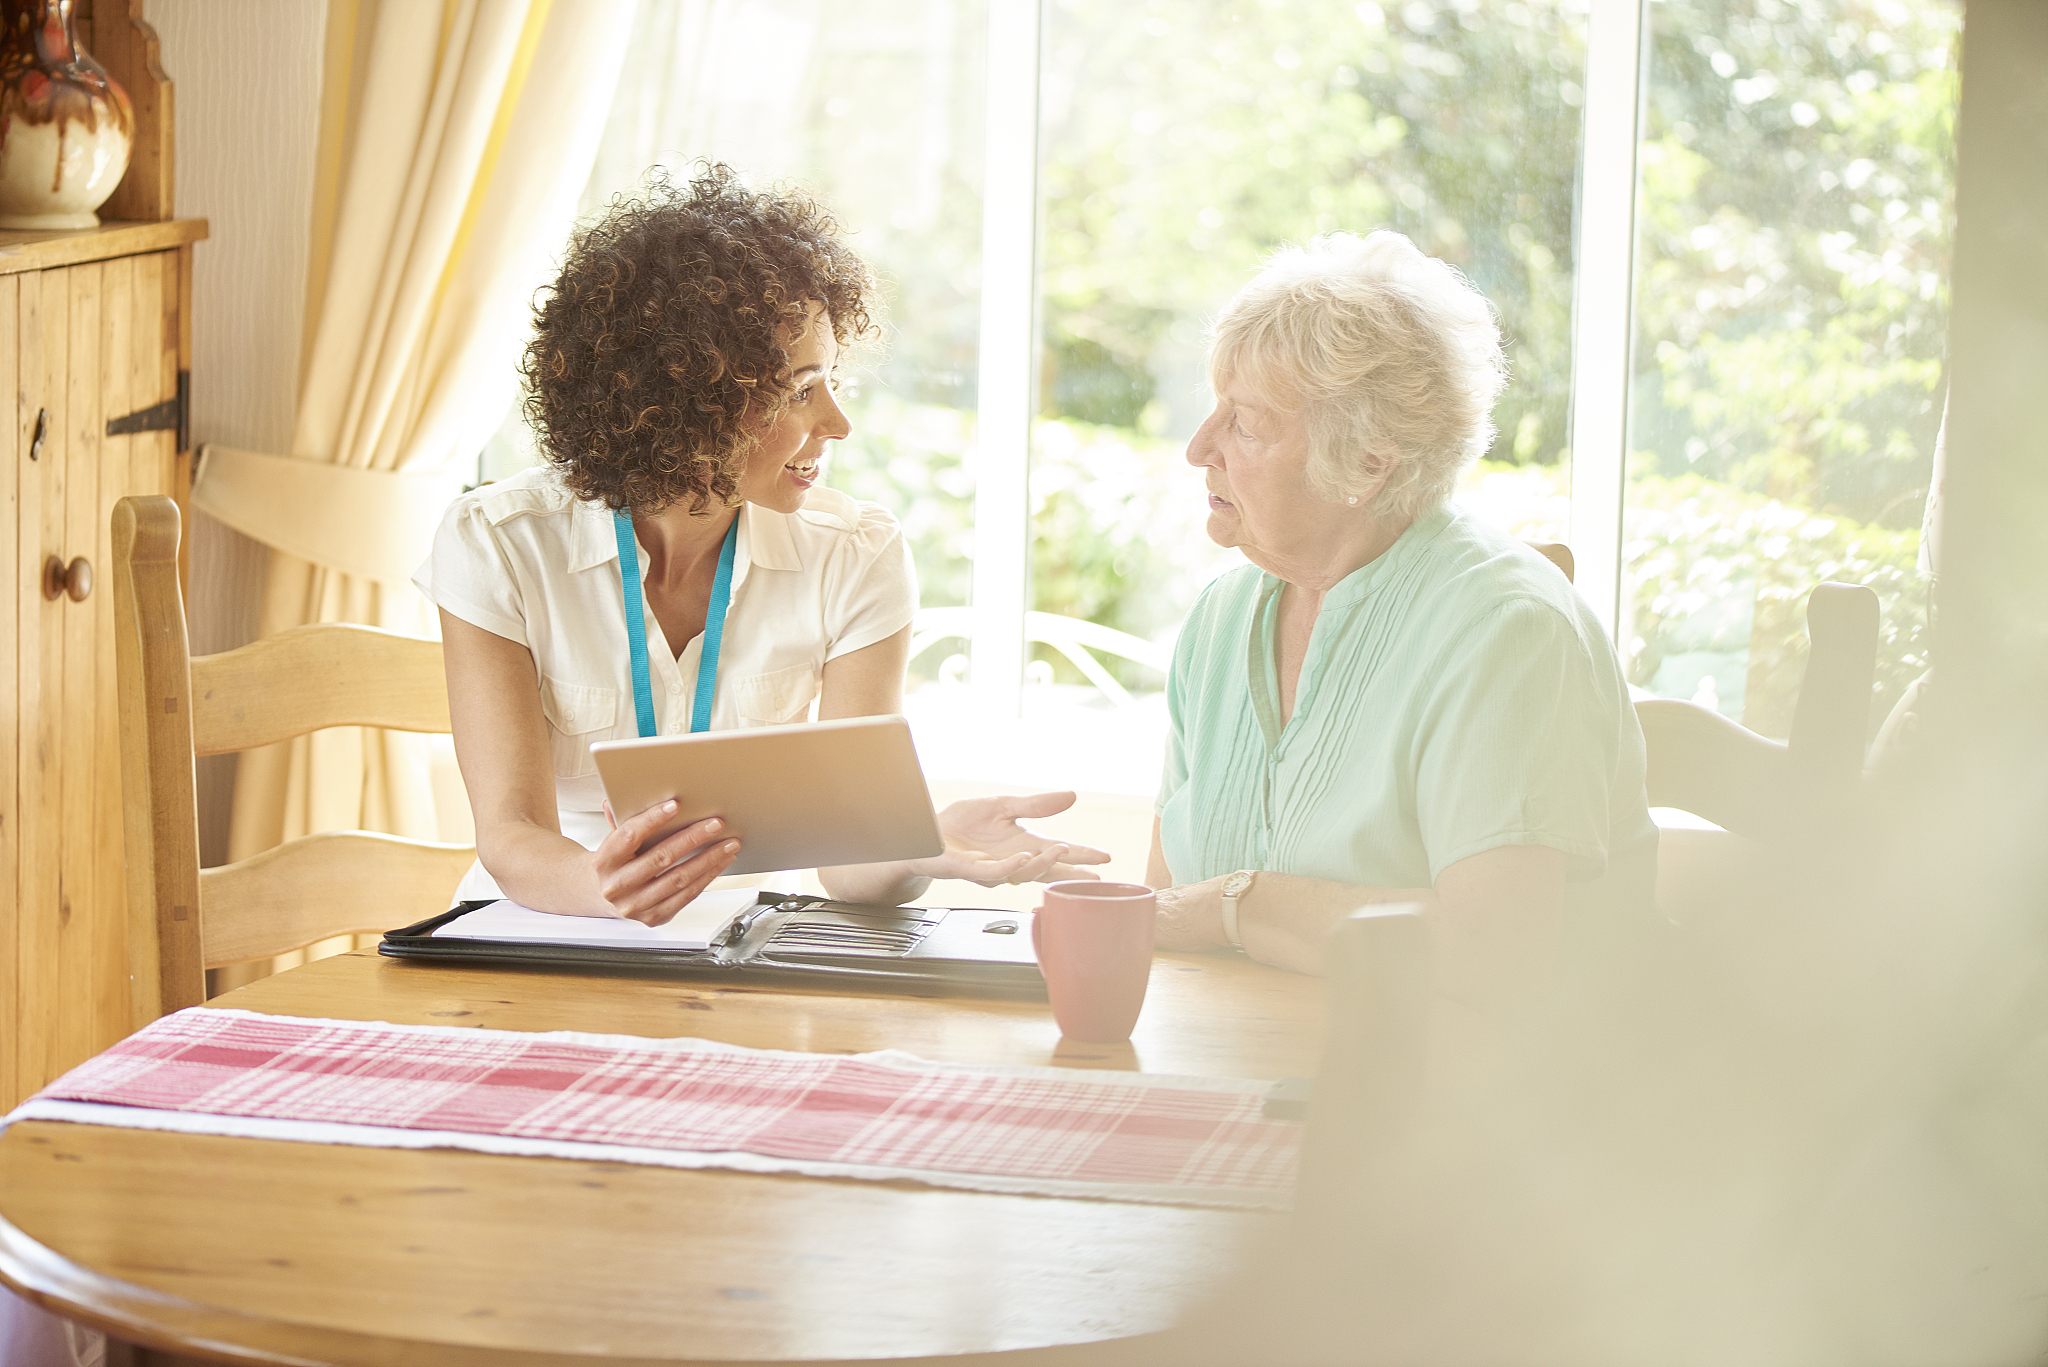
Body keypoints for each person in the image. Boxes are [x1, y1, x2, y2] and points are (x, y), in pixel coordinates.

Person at [415, 165, 1105, 923]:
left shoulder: (857, 556)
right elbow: (512, 834)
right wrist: (606, 886)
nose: (839, 422)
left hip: (747, 934)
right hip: (542, 923)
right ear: (685, 401)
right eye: (800, 389)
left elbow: (853, 861)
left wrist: (913, 846)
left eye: (832, 380)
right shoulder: (499, 545)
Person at [1147, 230, 1657, 988]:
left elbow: (1496, 953)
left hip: (1469, 1093)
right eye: (1214, 408)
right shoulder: (1222, 619)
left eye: (1245, 423)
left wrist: (1242, 903)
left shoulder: (1507, 631)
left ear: (1366, 463)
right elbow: (1163, 916)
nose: (1199, 447)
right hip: (1228, 1062)